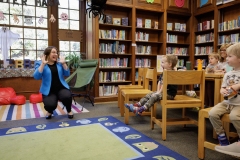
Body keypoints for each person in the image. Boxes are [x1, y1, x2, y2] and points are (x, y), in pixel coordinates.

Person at [209, 42, 240, 146]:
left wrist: (238, 85)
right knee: (212, 113)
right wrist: (222, 90)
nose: (227, 58)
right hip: (227, 102)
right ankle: (221, 136)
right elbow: (223, 87)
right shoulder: (227, 74)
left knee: (234, 117)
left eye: (230, 56)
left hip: (238, 105)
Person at [33, 46, 74, 119]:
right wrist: (43, 64)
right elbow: (36, 77)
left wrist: (64, 63)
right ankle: (50, 110)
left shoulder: (59, 63)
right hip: (49, 91)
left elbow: (67, 74)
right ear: (47, 54)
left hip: (61, 88)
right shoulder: (39, 63)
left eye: (56, 53)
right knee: (50, 105)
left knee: (67, 96)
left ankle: (69, 110)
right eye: (53, 52)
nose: (56, 54)